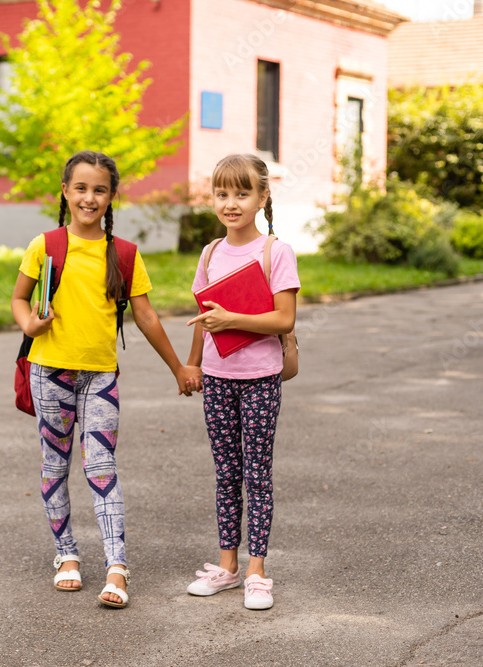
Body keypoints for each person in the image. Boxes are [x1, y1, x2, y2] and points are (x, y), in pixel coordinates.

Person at [12, 150, 197, 609]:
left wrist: (178, 367)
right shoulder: (46, 245)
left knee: (101, 466)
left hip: (100, 378)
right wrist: (30, 325)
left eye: (99, 190)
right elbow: (19, 299)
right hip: (49, 372)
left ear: (112, 196)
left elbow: (148, 316)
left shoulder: (126, 254)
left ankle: (117, 566)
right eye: (81, 188)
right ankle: (66, 555)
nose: (89, 198)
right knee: (55, 465)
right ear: (65, 192)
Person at [183, 154, 300, 610]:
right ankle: (227, 567)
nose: (231, 203)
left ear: (262, 197)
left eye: (242, 193)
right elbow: (202, 316)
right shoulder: (211, 252)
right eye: (222, 193)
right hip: (216, 377)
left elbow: (284, 316)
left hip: (259, 379)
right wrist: (192, 365)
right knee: (226, 473)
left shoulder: (275, 251)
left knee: (257, 473)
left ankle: (257, 570)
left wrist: (235, 317)